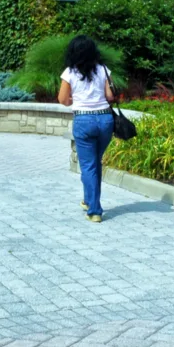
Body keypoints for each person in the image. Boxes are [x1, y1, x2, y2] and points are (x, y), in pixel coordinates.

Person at [58, 35, 115, 223]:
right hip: (105, 120)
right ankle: (88, 199)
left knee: (89, 165)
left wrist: (78, 99)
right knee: (94, 162)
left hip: (84, 120)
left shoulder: (70, 73)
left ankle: (95, 210)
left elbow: (63, 100)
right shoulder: (104, 70)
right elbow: (110, 96)